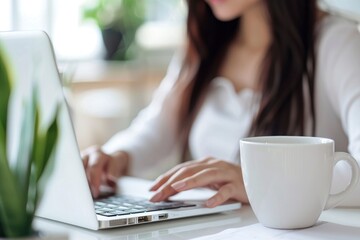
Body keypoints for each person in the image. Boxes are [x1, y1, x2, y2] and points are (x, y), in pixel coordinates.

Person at [82, 0, 360, 207]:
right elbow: (158, 126)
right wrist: (114, 157)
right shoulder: (208, 41)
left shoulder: (339, 43)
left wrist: (261, 183)